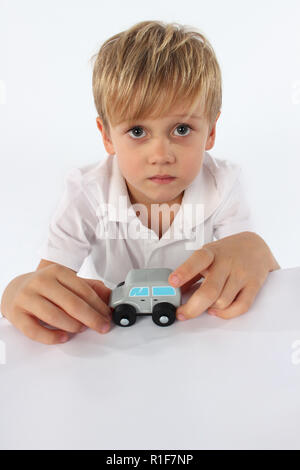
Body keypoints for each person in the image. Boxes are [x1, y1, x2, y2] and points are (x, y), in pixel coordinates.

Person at [0, 20, 280, 345]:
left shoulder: (224, 184)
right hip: (118, 339)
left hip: (196, 336)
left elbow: (245, 265)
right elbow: (48, 281)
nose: (161, 155)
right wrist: (14, 293)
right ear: (106, 136)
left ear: (211, 132)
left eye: (182, 129)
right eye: (137, 131)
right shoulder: (87, 193)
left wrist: (258, 251)